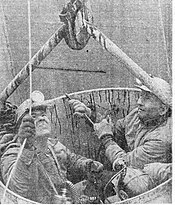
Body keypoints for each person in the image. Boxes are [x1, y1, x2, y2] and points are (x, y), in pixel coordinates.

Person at [0, 91, 103, 204]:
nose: (41, 118)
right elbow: (19, 188)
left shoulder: (53, 145)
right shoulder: (12, 153)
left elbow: (72, 160)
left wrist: (88, 165)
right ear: (21, 127)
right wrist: (27, 148)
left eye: (43, 114)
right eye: (33, 116)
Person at [69, 76, 172, 171]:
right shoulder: (138, 115)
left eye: (147, 98)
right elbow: (115, 130)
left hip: (144, 179)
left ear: (162, 109)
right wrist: (90, 115)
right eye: (141, 96)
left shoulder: (162, 139)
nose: (139, 102)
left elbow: (124, 165)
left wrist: (106, 138)